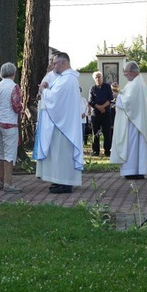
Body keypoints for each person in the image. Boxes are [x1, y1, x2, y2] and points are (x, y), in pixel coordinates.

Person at [34, 52, 84, 193]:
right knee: (58, 155)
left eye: (55, 63)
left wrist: (44, 91)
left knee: (63, 155)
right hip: (62, 123)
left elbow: (54, 98)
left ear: (63, 63)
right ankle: (59, 180)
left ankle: (66, 183)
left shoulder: (68, 79)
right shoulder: (65, 78)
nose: (53, 66)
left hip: (64, 126)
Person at [110, 61, 147, 179]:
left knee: (132, 147)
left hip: (134, 124)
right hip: (134, 121)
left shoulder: (137, 84)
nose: (125, 74)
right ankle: (135, 170)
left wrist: (118, 97)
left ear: (132, 72)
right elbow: (128, 97)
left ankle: (133, 171)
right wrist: (120, 93)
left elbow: (129, 102)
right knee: (134, 148)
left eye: (126, 72)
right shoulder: (134, 83)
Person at [0, 62, 23, 193]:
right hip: (9, 123)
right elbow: (16, 105)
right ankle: (9, 183)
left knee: (1, 153)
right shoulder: (14, 87)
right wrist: (22, 106)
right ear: (13, 73)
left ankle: (0, 181)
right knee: (9, 154)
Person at [89, 70, 114, 157]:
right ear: (94, 79)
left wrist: (103, 107)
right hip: (96, 113)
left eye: (99, 77)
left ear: (102, 78)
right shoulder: (92, 89)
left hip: (106, 112)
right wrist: (99, 107)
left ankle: (107, 151)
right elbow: (91, 101)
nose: (98, 78)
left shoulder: (107, 87)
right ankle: (96, 151)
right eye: (96, 77)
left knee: (107, 133)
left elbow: (110, 98)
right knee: (95, 132)